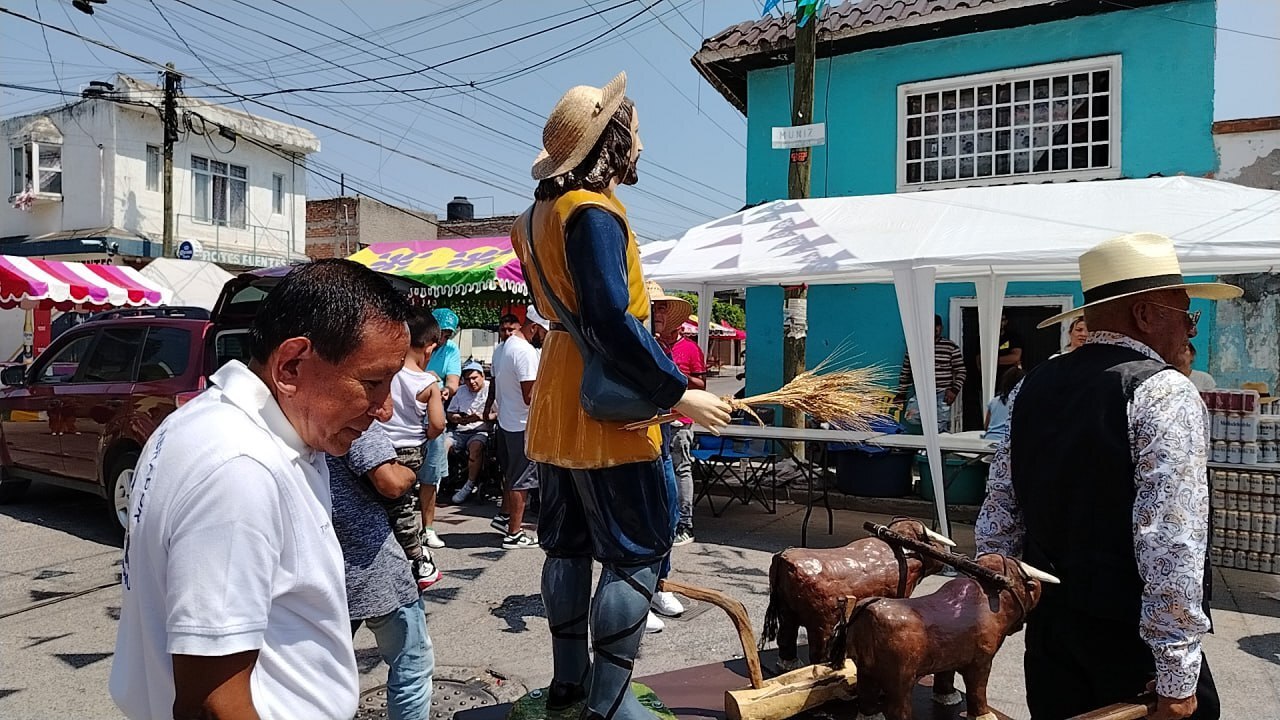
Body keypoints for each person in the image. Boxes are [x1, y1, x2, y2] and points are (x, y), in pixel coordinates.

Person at [512, 72, 731, 720]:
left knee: (567, 548)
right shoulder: (594, 213)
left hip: (556, 401)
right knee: (636, 556)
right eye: (632, 128)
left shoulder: (534, 216)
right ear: (609, 141)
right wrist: (676, 394)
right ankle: (608, 706)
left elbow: (566, 311)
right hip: (607, 406)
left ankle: (569, 685)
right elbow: (611, 319)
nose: (639, 139)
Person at [110, 259, 412, 720]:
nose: (385, 409)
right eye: (372, 383)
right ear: (291, 365)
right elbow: (214, 703)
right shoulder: (241, 467)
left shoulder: (217, 425)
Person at [976, 232, 1241, 720]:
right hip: (1131, 647)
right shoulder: (1164, 391)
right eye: (1187, 315)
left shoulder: (1032, 384)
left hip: (1054, 638)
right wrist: (1177, 675)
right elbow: (1171, 541)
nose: (1191, 331)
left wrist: (1005, 605)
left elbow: (998, 514)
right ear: (1144, 314)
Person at [329, 423, 434, 720]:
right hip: (372, 561)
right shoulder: (352, 414)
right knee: (411, 664)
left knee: (322, 672)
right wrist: (410, 472)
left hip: (323, 565)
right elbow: (390, 482)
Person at [378, 307, 447, 584]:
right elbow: (439, 424)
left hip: (381, 445)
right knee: (402, 504)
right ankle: (418, 558)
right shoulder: (428, 382)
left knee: (385, 503)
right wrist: (426, 435)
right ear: (429, 348)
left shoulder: (387, 372)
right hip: (411, 450)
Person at [648, 281, 704, 549]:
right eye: (655, 309)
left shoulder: (687, 349)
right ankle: (667, 522)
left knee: (677, 469)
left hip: (678, 419)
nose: (659, 315)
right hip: (652, 419)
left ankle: (683, 522)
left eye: (662, 310)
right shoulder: (652, 344)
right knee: (661, 470)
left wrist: (678, 377)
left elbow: (702, 384)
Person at [487, 305, 547, 549]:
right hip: (522, 423)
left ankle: (504, 518)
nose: (545, 336)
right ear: (533, 327)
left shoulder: (503, 347)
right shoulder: (525, 351)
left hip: (507, 421)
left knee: (512, 474)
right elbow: (530, 396)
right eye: (543, 331)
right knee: (522, 480)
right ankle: (514, 533)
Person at [419, 307, 462, 549]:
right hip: (409, 416)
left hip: (434, 415)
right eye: (440, 332)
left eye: (448, 333)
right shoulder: (415, 342)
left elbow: (453, 380)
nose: (443, 337)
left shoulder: (451, 350)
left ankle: (428, 528)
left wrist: (447, 389)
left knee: (430, 475)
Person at [895, 314, 967, 432]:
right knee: (910, 417)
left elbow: (961, 371)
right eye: (931, 325)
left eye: (937, 326)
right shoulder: (915, 347)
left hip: (943, 393)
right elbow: (906, 371)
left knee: (940, 427)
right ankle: (930, 435)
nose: (934, 328)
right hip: (921, 393)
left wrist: (954, 390)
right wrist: (901, 394)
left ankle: (938, 448)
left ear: (941, 328)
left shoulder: (950, 346)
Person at [445, 360, 491, 503]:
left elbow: (499, 413)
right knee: (442, 445)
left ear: (482, 376)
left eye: (474, 378)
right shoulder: (461, 391)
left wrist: (482, 417)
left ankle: (469, 484)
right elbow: (450, 413)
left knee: (476, 447)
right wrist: (457, 418)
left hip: (480, 430)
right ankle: (439, 482)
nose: (471, 382)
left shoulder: (491, 389)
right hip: (460, 429)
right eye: (467, 379)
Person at [983, 365, 1023, 441]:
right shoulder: (1020, 402)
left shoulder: (994, 401)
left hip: (989, 439)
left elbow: (986, 426)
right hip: (1007, 442)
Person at [997, 310, 1024, 380]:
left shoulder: (1012, 337)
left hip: (1009, 379)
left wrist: (992, 361)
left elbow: (1015, 357)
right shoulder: (984, 338)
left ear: (1006, 322)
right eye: (997, 319)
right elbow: (980, 363)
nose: (999, 322)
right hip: (989, 381)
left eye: (1002, 320)